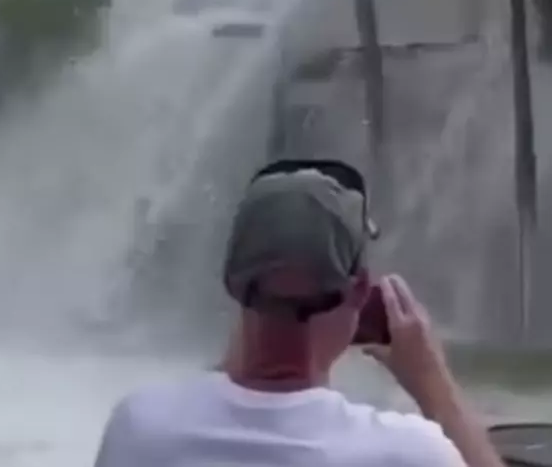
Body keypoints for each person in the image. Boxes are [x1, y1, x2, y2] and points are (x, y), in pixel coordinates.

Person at [93, 158, 504, 467]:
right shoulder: (408, 453)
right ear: (360, 289)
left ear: (231, 283)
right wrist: (432, 382)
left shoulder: (140, 429)